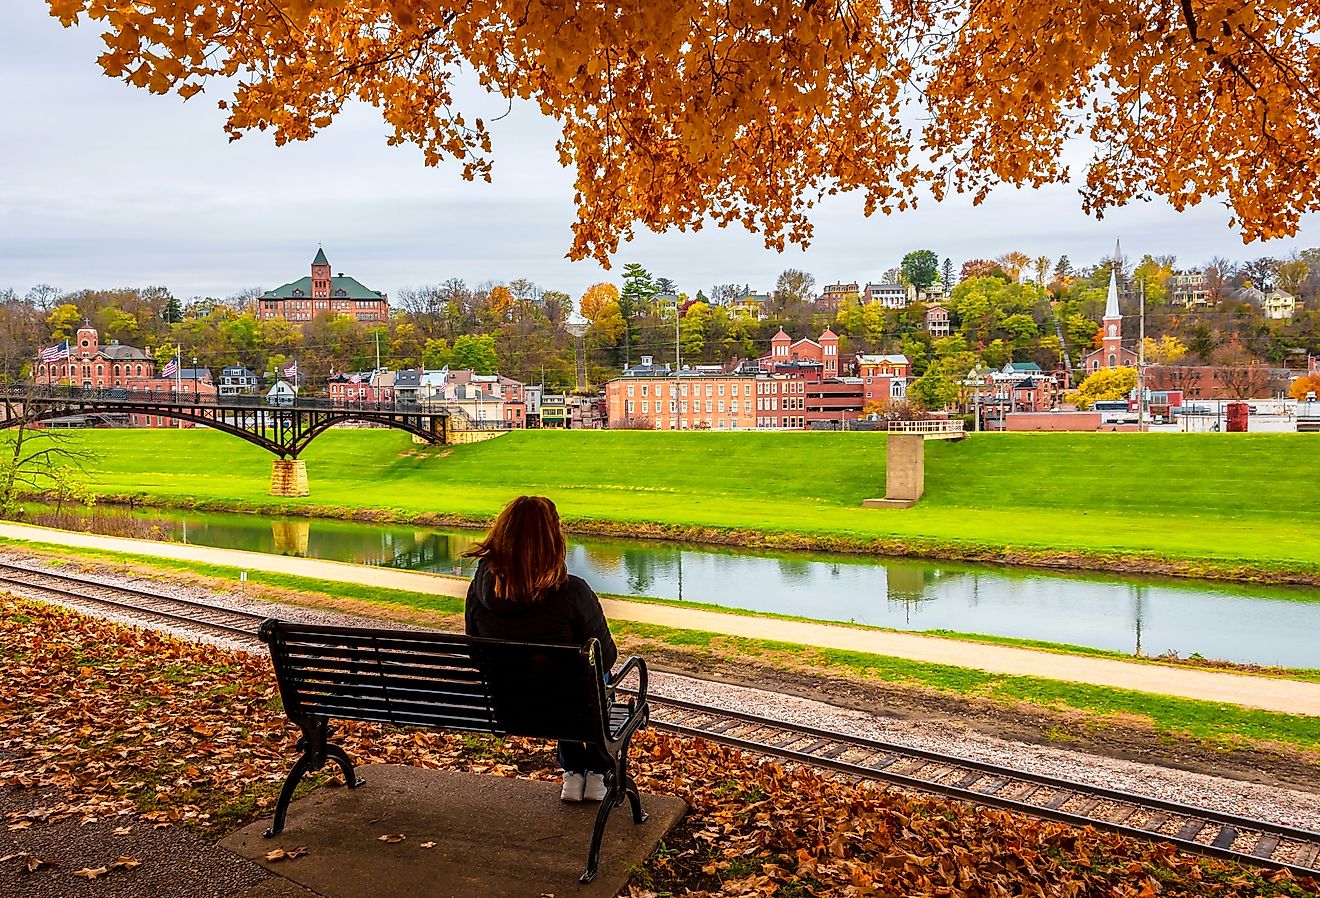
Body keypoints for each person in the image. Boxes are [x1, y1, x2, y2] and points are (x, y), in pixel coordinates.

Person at [463, 495, 617, 803]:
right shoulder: (573, 592)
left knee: (563, 680)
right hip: (570, 706)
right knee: (589, 679)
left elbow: (477, 655)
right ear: (553, 540)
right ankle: (598, 772)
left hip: (510, 708)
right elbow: (606, 658)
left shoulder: (481, 586)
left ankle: (573, 772)